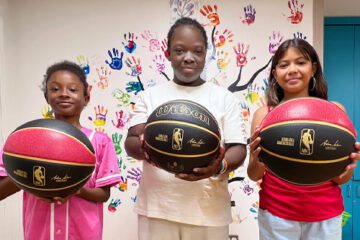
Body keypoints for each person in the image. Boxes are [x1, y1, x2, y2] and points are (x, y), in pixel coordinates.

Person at [125, 17, 247, 240]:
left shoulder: (224, 99)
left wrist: (219, 167)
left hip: (209, 212)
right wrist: (145, 148)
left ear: (206, 55)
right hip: (157, 210)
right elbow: (131, 140)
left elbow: (238, 147)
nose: (188, 58)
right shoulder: (148, 96)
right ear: (168, 53)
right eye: (180, 50)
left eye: (197, 51)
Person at [247, 38, 360, 240]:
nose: (292, 70)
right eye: (283, 65)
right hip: (276, 214)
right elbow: (254, 175)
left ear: (313, 68)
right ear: (275, 73)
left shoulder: (335, 113)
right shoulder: (264, 114)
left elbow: (340, 179)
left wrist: (349, 166)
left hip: (325, 215)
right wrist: (255, 159)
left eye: (300, 62)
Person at [0, 61, 121, 240]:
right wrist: (26, 174)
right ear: (46, 97)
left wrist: (77, 190)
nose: (64, 94)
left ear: (86, 97)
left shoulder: (100, 142)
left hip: (84, 234)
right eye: (55, 89)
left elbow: (104, 194)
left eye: (73, 89)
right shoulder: (23, 141)